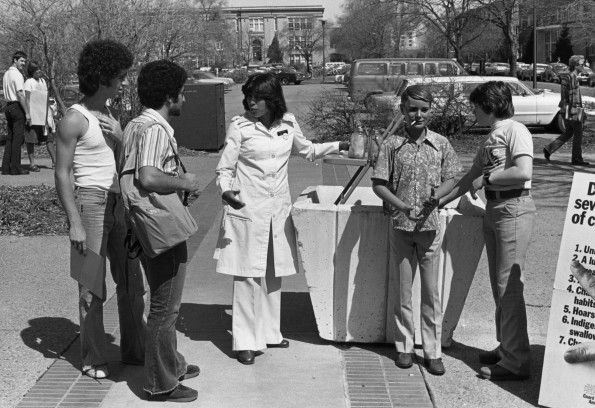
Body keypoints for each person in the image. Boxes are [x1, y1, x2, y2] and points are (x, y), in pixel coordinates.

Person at [215, 72, 349, 365]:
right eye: (248, 97)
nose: (251, 103)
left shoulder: (288, 124)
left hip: (278, 212)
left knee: (273, 275)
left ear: (272, 100)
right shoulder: (240, 128)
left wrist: (339, 145)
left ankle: (269, 332)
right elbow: (224, 169)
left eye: (258, 98)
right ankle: (245, 342)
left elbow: (308, 150)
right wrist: (226, 192)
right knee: (248, 276)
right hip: (247, 211)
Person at [55, 39, 146, 380]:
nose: (124, 82)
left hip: (117, 203)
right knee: (91, 287)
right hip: (89, 204)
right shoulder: (73, 120)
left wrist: (122, 137)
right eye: (120, 76)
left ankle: (135, 351)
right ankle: (94, 357)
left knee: (131, 282)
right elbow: (61, 173)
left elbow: (121, 163)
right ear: (103, 76)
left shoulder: (111, 114)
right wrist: (73, 222)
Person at [440, 81, 535, 381]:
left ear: (491, 105)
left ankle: (516, 362)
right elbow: (468, 178)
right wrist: (436, 200)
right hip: (495, 210)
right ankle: (508, 346)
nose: (473, 111)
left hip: (514, 208)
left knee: (509, 286)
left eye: (476, 106)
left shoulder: (515, 131)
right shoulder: (491, 136)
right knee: (499, 286)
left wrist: (488, 178)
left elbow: (523, 172)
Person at [122, 59, 200, 403]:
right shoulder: (154, 129)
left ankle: (173, 363)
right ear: (169, 96)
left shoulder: (135, 125)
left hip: (145, 224)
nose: (184, 99)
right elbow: (148, 177)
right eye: (181, 93)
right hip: (160, 226)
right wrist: (183, 180)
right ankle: (161, 382)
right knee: (165, 309)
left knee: (163, 304)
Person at [371, 85, 462, 376]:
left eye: (424, 109)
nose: (418, 114)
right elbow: (379, 184)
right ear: (402, 110)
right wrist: (401, 206)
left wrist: (439, 197)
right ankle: (404, 347)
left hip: (431, 229)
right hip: (401, 227)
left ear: (431, 110)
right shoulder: (391, 145)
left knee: (431, 293)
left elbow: (452, 177)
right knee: (402, 291)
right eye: (412, 109)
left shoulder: (441, 143)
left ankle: (433, 351)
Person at [543, 55, 589, 166]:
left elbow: (566, 97)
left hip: (566, 109)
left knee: (569, 132)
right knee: (578, 133)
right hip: (573, 109)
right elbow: (573, 98)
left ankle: (549, 149)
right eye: (582, 64)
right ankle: (576, 159)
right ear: (575, 65)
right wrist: (580, 112)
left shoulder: (567, 76)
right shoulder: (572, 77)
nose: (584, 66)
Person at [24, 61, 56, 170]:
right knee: (31, 139)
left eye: (39, 69)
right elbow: (27, 99)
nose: (39, 71)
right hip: (34, 114)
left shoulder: (42, 81)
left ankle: (55, 162)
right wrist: (28, 115)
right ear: (31, 72)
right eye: (36, 70)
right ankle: (32, 163)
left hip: (45, 114)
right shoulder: (29, 82)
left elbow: (45, 96)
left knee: (49, 138)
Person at [2, 51, 30, 175]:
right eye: (22, 61)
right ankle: (16, 168)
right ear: (15, 60)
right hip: (16, 106)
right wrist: (27, 113)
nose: (24, 63)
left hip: (8, 107)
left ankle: (6, 168)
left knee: (10, 138)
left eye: (25, 61)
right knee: (18, 138)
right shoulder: (17, 75)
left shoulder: (6, 74)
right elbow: (20, 94)